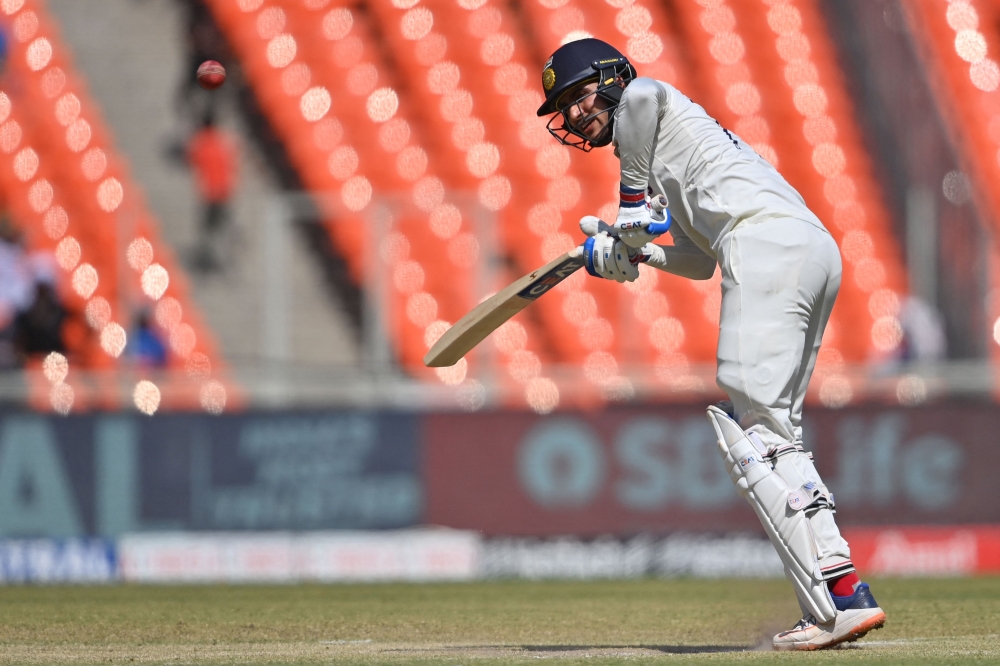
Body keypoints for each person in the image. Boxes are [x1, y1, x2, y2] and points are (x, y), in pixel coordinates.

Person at [536, 38, 885, 651]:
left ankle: (836, 601)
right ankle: (842, 587)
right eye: (563, 109)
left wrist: (631, 207)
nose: (573, 117)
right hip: (807, 247)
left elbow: (644, 94)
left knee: (748, 431)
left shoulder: (646, 102)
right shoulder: (669, 144)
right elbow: (698, 262)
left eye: (577, 97)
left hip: (766, 244)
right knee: (776, 431)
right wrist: (638, 252)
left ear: (611, 78)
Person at [187, 107, 238, 272]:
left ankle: (211, 259)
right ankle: (224, 260)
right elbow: (232, 164)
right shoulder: (223, 142)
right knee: (222, 226)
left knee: (208, 228)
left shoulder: (201, 142)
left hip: (209, 193)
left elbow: (193, 161)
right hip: (224, 191)